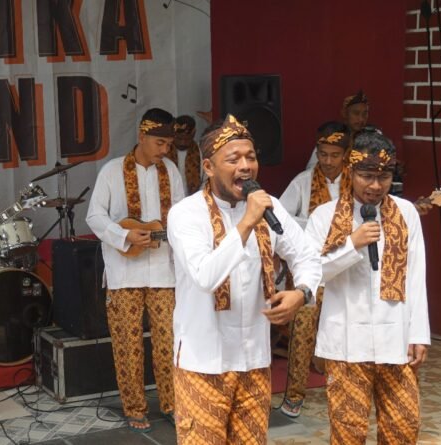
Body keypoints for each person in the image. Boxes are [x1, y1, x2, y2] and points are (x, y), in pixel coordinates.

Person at [167, 115, 321, 444]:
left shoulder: (270, 207)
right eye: (233, 159)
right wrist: (247, 223)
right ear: (209, 167)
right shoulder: (185, 214)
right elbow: (205, 275)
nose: (245, 166)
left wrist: (302, 292)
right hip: (203, 363)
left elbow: (307, 255)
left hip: (254, 361)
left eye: (250, 157)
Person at [306, 130, 429, 444]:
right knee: (348, 431)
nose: (375, 186)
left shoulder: (406, 213)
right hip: (345, 343)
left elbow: (416, 277)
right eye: (366, 176)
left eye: (384, 177)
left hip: (396, 338)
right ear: (350, 171)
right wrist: (352, 245)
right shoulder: (324, 216)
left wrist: (418, 334)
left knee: (402, 428)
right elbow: (311, 273)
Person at [85, 108, 185, 432]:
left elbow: (181, 216)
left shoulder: (171, 171)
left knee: (169, 341)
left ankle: (172, 404)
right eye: (159, 143)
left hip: (164, 273)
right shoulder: (112, 171)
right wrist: (124, 235)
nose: (164, 150)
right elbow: (94, 216)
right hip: (124, 273)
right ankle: (134, 408)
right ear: (142, 136)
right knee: (128, 344)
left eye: (168, 144)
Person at [276, 121, 351, 417]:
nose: (328, 161)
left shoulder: (356, 183)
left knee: (345, 330)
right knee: (302, 333)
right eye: (323, 154)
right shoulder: (303, 181)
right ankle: (294, 396)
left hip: (346, 270)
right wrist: (316, 225)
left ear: (346, 154)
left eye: (335, 155)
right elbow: (280, 221)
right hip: (309, 270)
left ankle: (345, 392)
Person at [305, 90, 369, 169]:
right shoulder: (332, 136)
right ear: (344, 113)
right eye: (356, 113)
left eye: (365, 114)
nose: (361, 119)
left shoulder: (373, 137)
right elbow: (312, 169)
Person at [165, 115, 203, 194]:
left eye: (187, 139)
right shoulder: (164, 151)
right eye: (179, 138)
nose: (183, 143)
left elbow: (206, 181)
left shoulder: (201, 152)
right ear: (173, 134)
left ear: (194, 134)